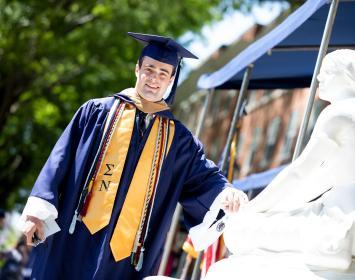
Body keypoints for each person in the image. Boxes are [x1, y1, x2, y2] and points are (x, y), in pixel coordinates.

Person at [18, 32, 248, 280]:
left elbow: (203, 176)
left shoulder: (179, 140)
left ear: (171, 80)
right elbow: (59, 160)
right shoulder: (96, 113)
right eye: (149, 69)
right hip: (74, 238)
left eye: (163, 73)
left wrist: (225, 193)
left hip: (129, 254)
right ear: (137, 69)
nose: (154, 79)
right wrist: (37, 214)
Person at [203, 49, 355, 280]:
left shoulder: (340, 112)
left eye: (326, 72)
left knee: (239, 230)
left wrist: (252, 209)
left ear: (346, 76)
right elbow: (315, 184)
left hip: (341, 229)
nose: (319, 78)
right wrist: (271, 210)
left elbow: (300, 174)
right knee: (256, 223)